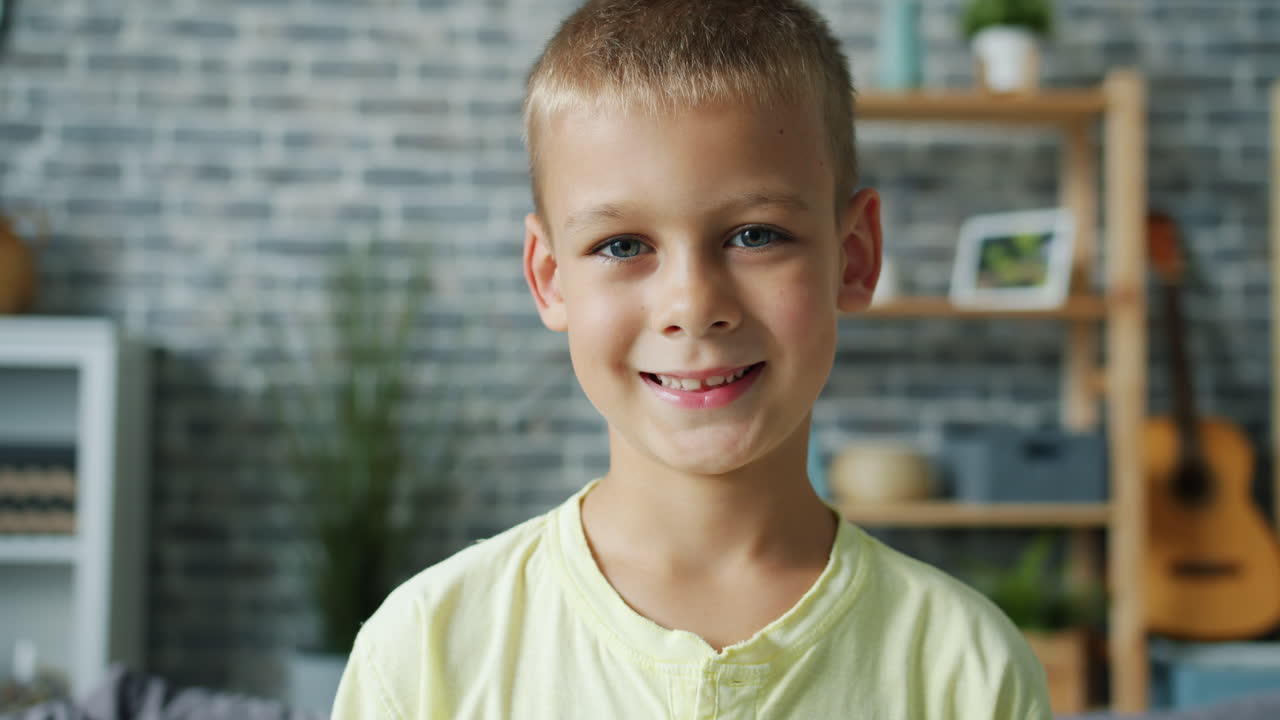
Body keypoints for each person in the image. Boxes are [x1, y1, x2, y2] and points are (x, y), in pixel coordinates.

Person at [332, 1, 1052, 717]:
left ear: (854, 257)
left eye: (755, 235)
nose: (691, 304)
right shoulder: (426, 650)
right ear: (551, 279)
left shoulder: (969, 670)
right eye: (622, 246)